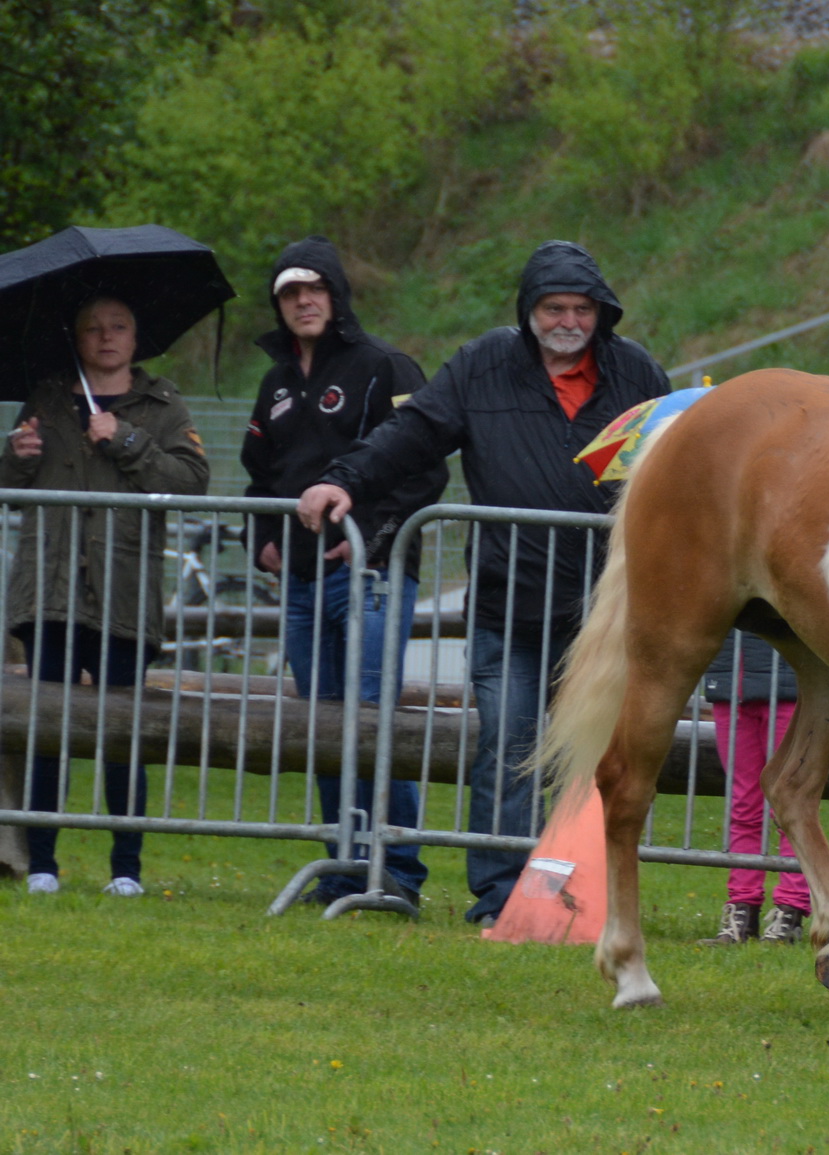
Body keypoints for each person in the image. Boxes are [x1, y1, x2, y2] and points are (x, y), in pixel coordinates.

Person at [296, 241, 670, 926]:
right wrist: (342, 478)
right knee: (508, 741)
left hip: (606, 609)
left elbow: (678, 455)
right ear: (529, 311)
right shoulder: (482, 365)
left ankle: (587, 895)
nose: (568, 320)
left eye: (582, 308)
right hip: (509, 602)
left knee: (598, 755)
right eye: (554, 307)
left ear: (601, 313)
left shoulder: (637, 369)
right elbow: (413, 431)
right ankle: (501, 892)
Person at [242, 236, 446, 906]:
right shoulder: (273, 385)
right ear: (278, 303)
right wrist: (262, 538)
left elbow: (426, 467)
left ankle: (398, 872)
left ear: (336, 293)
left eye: (314, 288)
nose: (303, 301)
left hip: (372, 574)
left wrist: (374, 537)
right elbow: (259, 476)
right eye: (289, 292)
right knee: (324, 724)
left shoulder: (385, 366)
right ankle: (344, 863)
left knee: (370, 719)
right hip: (299, 582)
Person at [1, 295, 209, 896]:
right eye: (93, 328)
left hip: (124, 594)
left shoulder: (163, 405)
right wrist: (16, 458)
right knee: (48, 731)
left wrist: (125, 440)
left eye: (119, 325)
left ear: (137, 336)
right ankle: (41, 861)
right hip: (50, 593)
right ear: (78, 337)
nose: (106, 336)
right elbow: (9, 485)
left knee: (123, 734)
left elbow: (193, 482)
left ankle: (127, 868)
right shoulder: (46, 400)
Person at [698, 632, 809, 945]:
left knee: (789, 804)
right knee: (743, 803)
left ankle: (791, 909)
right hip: (729, 684)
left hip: (789, 686)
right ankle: (741, 910)